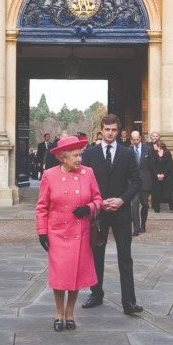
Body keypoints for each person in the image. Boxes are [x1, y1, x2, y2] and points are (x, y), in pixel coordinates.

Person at [35, 135, 103, 331]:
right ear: (63, 157)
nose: (79, 159)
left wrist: (89, 208)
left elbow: (99, 200)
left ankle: (70, 313)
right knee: (60, 275)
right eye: (75, 156)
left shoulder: (88, 173)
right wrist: (42, 232)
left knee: (75, 276)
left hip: (79, 232)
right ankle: (58, 312)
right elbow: (42, 207)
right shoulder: (49, 175)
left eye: (80, 155)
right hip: (57, 233)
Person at [80, 114, 143, 315]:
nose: (110, 133)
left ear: (118, 131)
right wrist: (98, 202)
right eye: (107, 130)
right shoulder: (89, 154)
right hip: (98, 212)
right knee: (96, 254)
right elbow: (84, 184)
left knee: (125, 257)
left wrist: (122, 200)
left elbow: (136, 182)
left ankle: (129, 301)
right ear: (101, 129)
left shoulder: (127, 153)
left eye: (114, 130)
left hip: (121, 212)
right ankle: (96, 293)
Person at [129, 131, 152, 236]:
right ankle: (136, 229)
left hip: (145, 181)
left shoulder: (148, 150)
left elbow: (152, 167)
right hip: (133, 182)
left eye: (137, 139)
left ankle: (143, 224)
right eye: (134, 139)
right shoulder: (128, 151)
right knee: (134, 205)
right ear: (131, 139)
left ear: (140, 138)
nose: (136, 141)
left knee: (145, 205)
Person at [149, 139, 173, 214]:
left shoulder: (167, 153)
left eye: (154, 145)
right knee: (156, 192)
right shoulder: (153, 153)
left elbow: (169, 165)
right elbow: (152, 165)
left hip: (167, 176)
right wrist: (157, 174)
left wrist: (163, 174)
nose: (153, 146)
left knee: (170, 192)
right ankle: (156, 207)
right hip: (156, 176)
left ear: (159, 146)